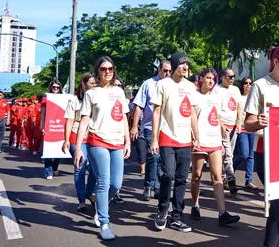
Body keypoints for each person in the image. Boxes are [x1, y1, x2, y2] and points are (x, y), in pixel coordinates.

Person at [244, 43, 279, 247]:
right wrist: (259, 122)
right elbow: (247, 123)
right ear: (276, 62)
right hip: (267, 156)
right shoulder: (260, 86)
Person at [74, 56, 130, 240]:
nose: (107, 72)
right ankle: (105, 223)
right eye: (104, 69)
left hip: (117, 142)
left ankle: (100, 204)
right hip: (97, 141)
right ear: (98, 71)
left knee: (116, 184)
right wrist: (78, 148)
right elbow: (84, 121)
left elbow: (123, 118)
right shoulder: (92, 94)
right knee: (104, 182)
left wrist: (128, 141)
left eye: (110, 69)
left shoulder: (119, 92)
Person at [151, 52, 199, 233]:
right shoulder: (163, 84)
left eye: (187, 64)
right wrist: (154, 138)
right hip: (167, 136)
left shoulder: (190, 87)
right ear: (174, 66)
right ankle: (162, 209)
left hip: (185, 139)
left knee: (181, 178)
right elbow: (157, 112)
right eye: (182, 64)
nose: (186, 67)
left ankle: (177, 216)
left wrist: (196, 135)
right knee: (168, 175)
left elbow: (192, 113)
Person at [190, 68, 240, 226]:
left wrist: (222, 132)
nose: (211, 81)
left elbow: (216, 117)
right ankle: (195, 205)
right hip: (199, 142)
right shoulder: (194, 96)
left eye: (213, 79)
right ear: (202, 79)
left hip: (215, 142)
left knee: (217, 177)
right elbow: (191, 119)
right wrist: (195, 138)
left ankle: (222, 214)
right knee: (196, 176)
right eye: (208, 78)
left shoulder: (216, 97)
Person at [131, 60, 171, 201]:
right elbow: (138, 106)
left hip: (166, 128)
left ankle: (158, 187)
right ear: (159, 70)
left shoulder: (172, 85)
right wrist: (135, 126)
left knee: (161, 159)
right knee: (153, 156)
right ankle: (149, 185)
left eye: (169, 71)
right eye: (165, 70)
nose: (167, 73)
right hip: (149, 126)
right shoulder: (148, 84)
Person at [62, 73, 97, 212]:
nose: (94, 85)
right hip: (76, 137)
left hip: (93, 137)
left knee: (95, 170)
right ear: (84, 84)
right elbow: (69, 121)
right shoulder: (75, 101)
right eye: (91, 83)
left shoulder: (98, 99)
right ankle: (82, 200)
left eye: (96, 83)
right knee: (80, 168)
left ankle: (89, 193)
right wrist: (65, 140)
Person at [214, 68, 241, 195]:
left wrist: (239, 122)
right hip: (222, 126)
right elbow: (214, 108)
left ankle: (223, 178)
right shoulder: (217, 90)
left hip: (233, 125)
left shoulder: (235, 90)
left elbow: (239, 106)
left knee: (228, 154)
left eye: (233, 76)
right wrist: (220, 124)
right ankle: (231, 180)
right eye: (229, 76)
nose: (232, 79)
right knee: (228, 154)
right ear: (223, 77)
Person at [232, 77, 260, 190]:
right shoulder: (239, 98)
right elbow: (237, 113)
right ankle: (229, 173)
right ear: (242, 85)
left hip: (252, 130)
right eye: (245, 83)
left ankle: (249, 181)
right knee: (243, 154)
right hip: (242, 129)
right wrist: (238, 126)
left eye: (250, 83)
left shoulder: (254, 99)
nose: (248, 85)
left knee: (250, 156)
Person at [43, 80, 63, 179]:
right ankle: (48, 172)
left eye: (57, 87)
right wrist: (42, 126)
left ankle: (54, 168)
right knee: (48, 151)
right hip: (49, 127)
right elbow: (43, 113)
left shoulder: (64, 98)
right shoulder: (46, 98)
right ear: (51, 88)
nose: (55, 89)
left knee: (58, 151)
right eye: (54, 87)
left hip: (60, 128)